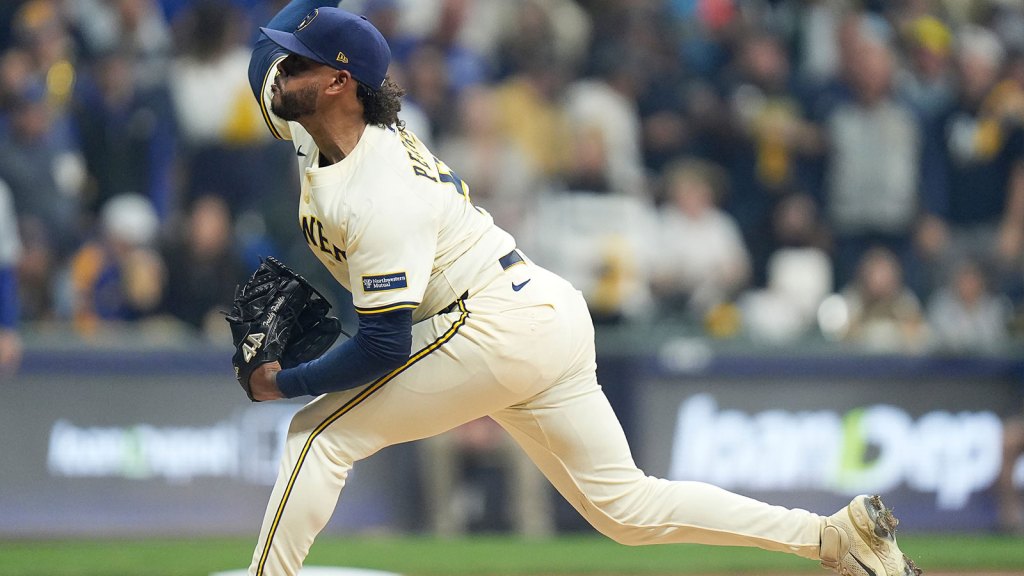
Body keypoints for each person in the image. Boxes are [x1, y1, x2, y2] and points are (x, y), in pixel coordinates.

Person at [240, 3, 923, 576]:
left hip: (489, 323)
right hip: (534, 309)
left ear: (340, 82)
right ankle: (833, 538)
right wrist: (314, 15)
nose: (279, 72)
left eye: (297, 63)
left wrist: (286, 382)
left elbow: (384, 346)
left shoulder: (382, 192)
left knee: (315, 435)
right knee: (628, 510)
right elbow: (260, 64)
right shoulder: (317, 125)